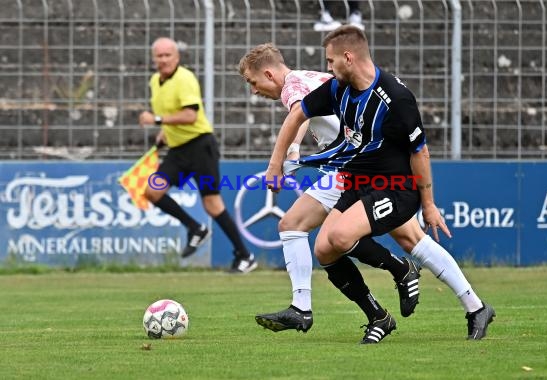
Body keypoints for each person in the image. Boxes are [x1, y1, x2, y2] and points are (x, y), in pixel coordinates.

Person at [264, 26, 495, 343]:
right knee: (325, 249)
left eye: (331, 61)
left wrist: (428, 205)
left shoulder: (396, 99)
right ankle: (386, 314)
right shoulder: (337, 89)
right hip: (356, 180)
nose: (328, 68)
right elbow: (297, 115)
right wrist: (275, 165)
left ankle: (408, 275)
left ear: (348, 57)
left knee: (344, 235)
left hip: (395, 187)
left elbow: (420, 152)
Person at [238, 43, 420, 333]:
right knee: (296, 227)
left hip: (359, 166)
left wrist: (292, 150)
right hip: (355, 164)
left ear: (269, 74)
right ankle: (308, 309)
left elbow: (299, 112)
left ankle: (401, 276)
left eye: (252, 82)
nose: (254, 90)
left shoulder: (291, 87)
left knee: (340, 240)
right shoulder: (309, 77)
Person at [139, 37, 257, 274]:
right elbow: (172, 112)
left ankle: (245, 256)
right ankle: (195, 228)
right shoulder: (155, 81)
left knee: (212, 205)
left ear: (176, 57)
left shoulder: (185, 78)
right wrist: (164, 131)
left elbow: (190, 116)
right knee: (152, 191)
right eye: (159, 56)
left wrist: (158, 120)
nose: (163, 60)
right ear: (153, 58)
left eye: (167, 55)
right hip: (178, 149)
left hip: (200, 146)